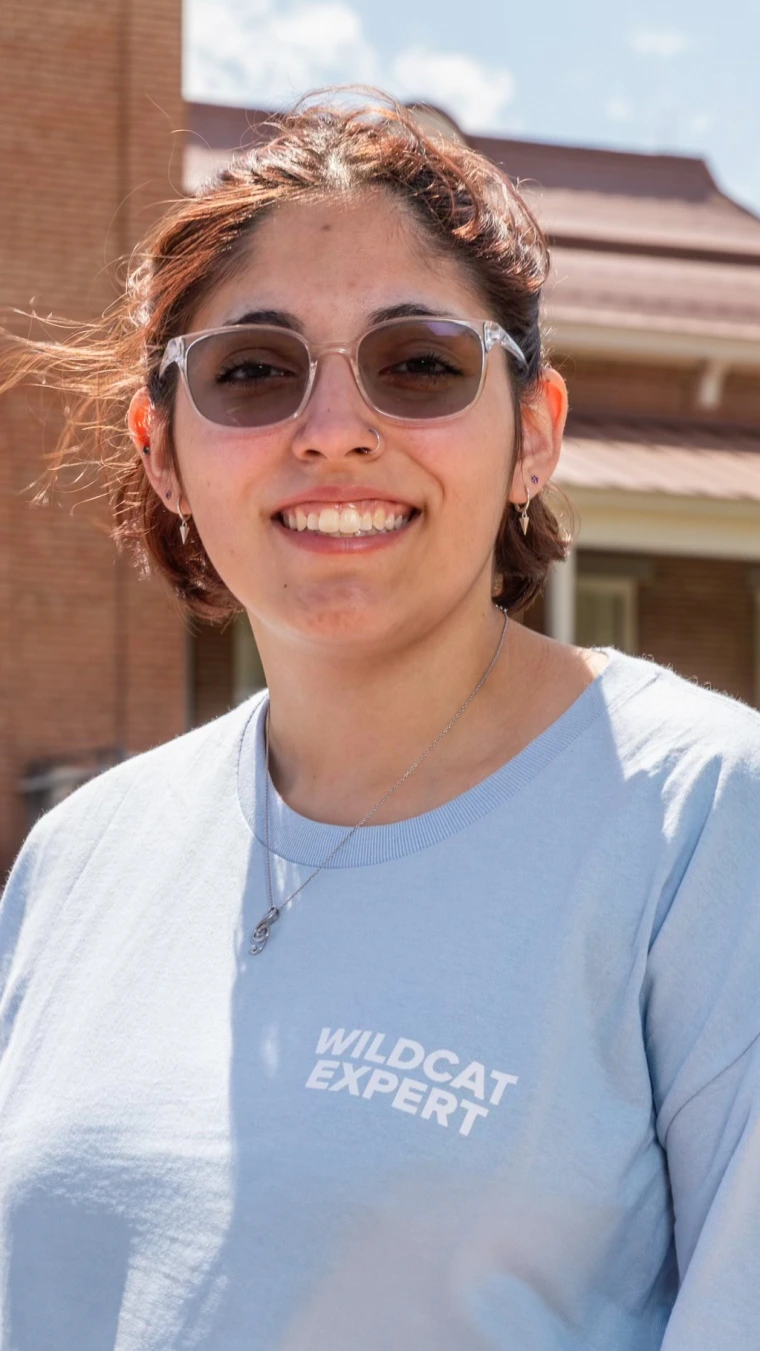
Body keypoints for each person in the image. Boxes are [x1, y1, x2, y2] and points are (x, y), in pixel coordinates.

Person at [0, 91, 758, 1351]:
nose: (335, 432)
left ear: (533, 433)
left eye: (419, 365)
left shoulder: (701, 822)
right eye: (252, 372)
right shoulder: (79, 859)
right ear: (164, 452)